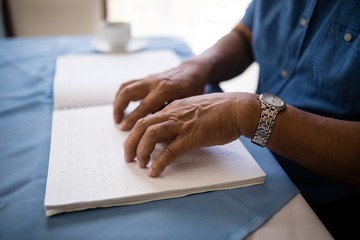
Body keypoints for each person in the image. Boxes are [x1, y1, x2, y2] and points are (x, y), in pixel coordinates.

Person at [113, 0, 360, 238]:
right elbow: (245, 35)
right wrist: (201, 65)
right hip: (251, 158)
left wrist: (248, 113)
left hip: (324, 199)